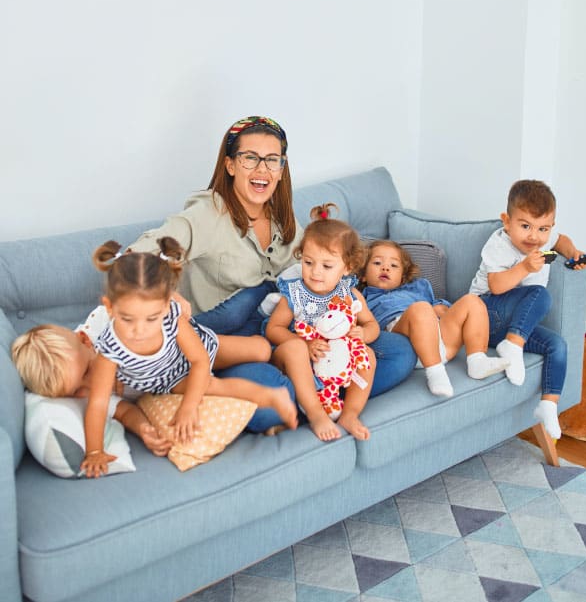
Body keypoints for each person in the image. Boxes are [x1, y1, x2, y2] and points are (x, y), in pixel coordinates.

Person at [129, 115, 416, 411]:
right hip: (231, 340)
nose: (262, 169)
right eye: (250, 158)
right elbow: (136, 255)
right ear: (230, 165)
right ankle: (311, 394)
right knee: (273, 397)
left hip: (289, 329)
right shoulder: (207, 213)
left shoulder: (282, 216)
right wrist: (165, 294)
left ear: (281, 169)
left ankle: (319, 392)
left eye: (272, 160)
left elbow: (321, 266)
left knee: (399, 352)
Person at [81, 237, 297, 477]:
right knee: (213, 386)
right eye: (127, 319)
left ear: (166, 306)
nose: (139, 330)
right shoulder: (109, 351)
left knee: (262, 350)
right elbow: (98, 403)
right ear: (109, 307)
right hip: (171, 381)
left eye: (151, 319)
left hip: (197, 353)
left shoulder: (172, 318)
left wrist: (189, 406)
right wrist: (94, 451)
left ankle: (264, 329)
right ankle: (272, 396)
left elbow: (200, 360)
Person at [469, 179, 586, 439]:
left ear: (551, 227)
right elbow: (496, 286)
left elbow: (562, 241)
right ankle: (512, 346)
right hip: (484, 315)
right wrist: (524, 267)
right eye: (525, 226)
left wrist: (572, 253)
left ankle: (548, 405)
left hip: (513, 325)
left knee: (557, 345)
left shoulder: (544, 241)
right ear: (507, 222)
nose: (534, 237)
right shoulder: (499, 244)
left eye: (542, 229)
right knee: (540, 294)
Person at [266, 204, 378, 441]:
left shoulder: (349, 294)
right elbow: (273, 329)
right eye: (308, 262)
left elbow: (371, 324)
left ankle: (350, 414)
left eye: (327, 266)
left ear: (347, 267)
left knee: (367, 355)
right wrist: (305, 345)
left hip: (333, 362)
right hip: (296, 360)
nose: (315, 272)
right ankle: (316, 413)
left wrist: (364, 334)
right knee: (295, 348)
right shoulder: (294, 294)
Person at [360, 240, 509, 397]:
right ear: (363, 275)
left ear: (403, 277)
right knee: (421, 308)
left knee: (472, 301)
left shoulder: (418, 288)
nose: (385, 268)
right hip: (406, 343)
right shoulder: (362, 298)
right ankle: (436, 373)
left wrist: (441, 308)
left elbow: (438, 306)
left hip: (441, 340)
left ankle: (477, 360)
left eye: (394, 265)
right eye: (377, 263)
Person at [11, 315, 173, 458]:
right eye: (76, 391)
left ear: (85, 340)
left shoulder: (104, 324)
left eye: (87, 370)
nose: (91, 384)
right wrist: (143, 429)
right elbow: (125, 412)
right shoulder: (87, 399)